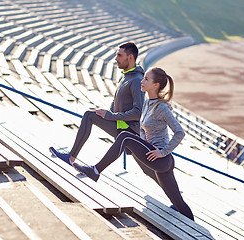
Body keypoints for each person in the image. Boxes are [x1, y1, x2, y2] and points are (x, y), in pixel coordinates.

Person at [73, 67, 195, 220]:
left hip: (161, 159)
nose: (141, 82)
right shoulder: (146, 103)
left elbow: (180, 132)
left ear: (156, 85)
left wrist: (163, 151)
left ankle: (95, 171)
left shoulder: (161, 107)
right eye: (143, 78)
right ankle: (198, 233)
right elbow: (143, 125)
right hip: (156, 158)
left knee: (125, 136)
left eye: (146, 80)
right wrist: (144, 138)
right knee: (179, 204)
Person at [50, 42, 144, 165]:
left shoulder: (136, 80)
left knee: (151, 171)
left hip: (129, 131)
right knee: (90, 115)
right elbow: (117, 102)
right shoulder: (126, 76)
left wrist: (109, 116)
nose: (116, 59)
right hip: (119, 125)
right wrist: (106, 113)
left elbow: (138, 112)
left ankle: (72, 158)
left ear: (130, 57)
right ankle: (71, 158)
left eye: (119, 55)